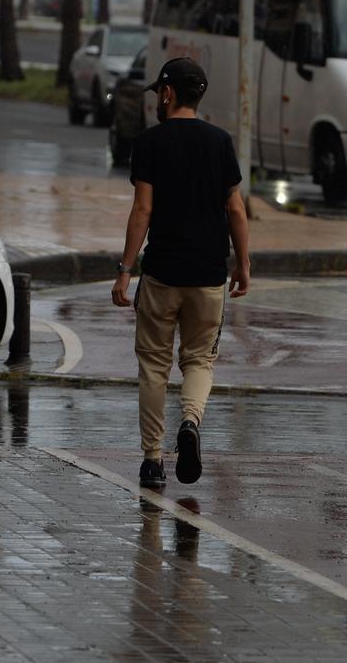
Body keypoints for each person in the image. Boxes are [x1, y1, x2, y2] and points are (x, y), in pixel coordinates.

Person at [111, 57, 251, 489]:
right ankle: (190, 422)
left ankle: (153, 461)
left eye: (159, 92)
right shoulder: (220, 142)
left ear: (168, 94)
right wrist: (242, 263)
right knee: (199, 360)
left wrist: (125, 270)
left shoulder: (150, 142)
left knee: (154, 365)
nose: (157, 98)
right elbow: (235, 208)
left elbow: (143, 209)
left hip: (162, 273)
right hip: (209, 273)